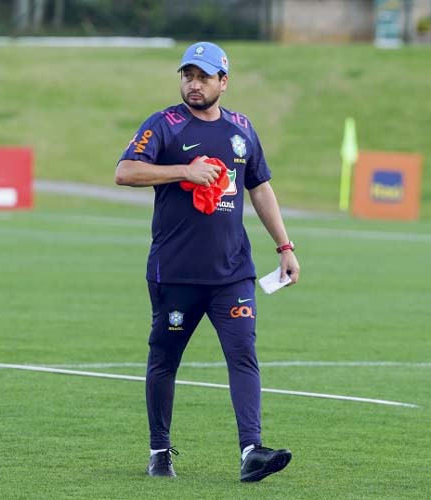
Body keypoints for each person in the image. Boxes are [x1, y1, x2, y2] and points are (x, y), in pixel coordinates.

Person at [114, 41, 301, 482]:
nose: (193, 85)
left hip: (233, 272)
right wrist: (184, 171)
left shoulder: (241, 128)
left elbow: (260, 187)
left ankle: (251, 451)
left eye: (203, 77)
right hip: (175, 272)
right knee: (164, 359)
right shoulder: (165, 125)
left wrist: (285, 246)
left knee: (243, 354)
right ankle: (160, 451)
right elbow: (125, 171)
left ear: (223, 81)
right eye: (187, 76)